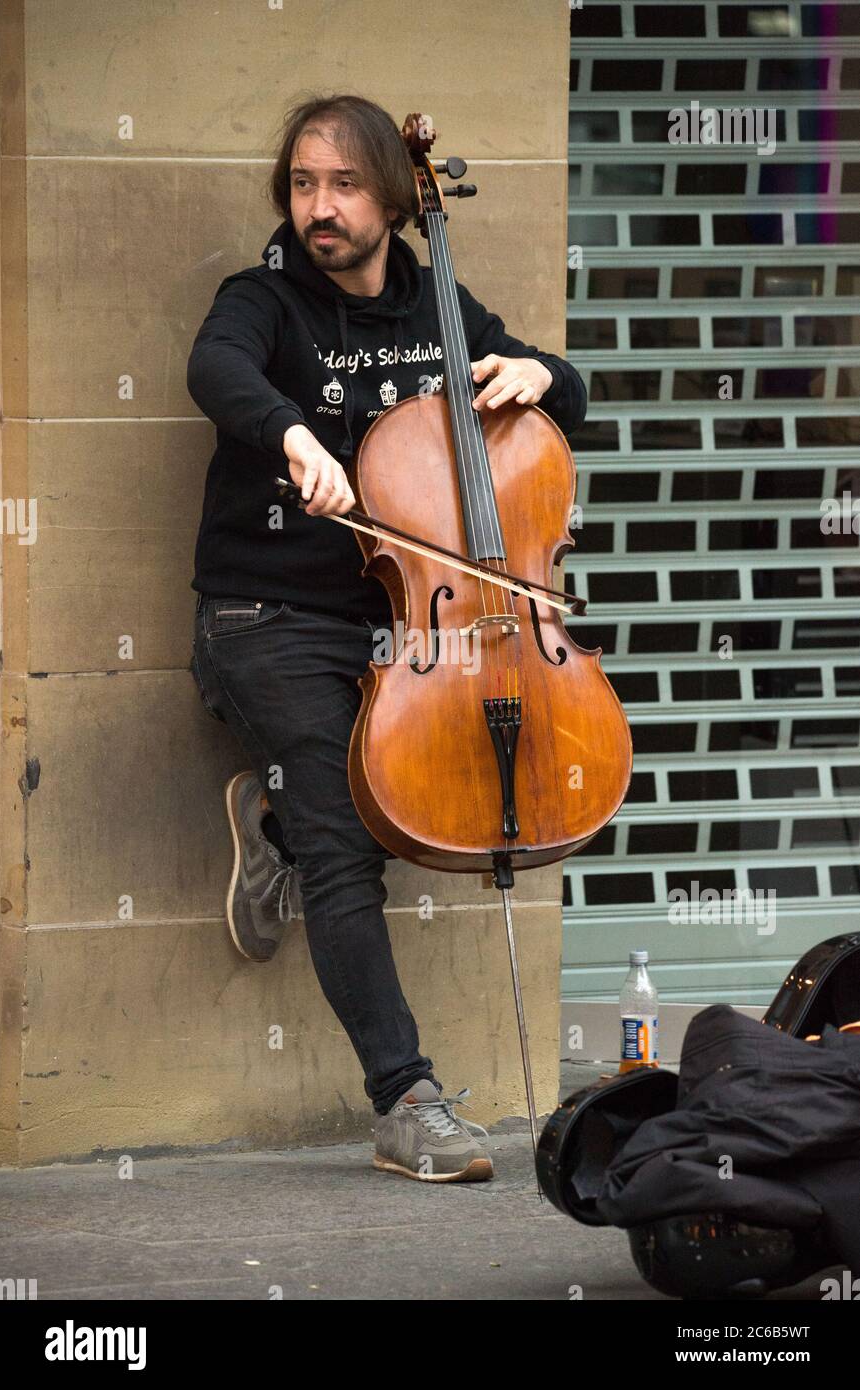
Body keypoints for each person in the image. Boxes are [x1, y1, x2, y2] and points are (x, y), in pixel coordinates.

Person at [187, 93, 587, 1183]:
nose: (320, 207)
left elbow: (569, 396)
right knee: (347, 833)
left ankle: (277, 822)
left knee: (388, 800)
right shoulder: (262, 300)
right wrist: (290, 434)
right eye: (304, 185)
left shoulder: (436, 305)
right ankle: (404, 1100)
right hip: (260, 616)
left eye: (344, 185)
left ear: (399, 199)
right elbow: (214, 370)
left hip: (409, 622)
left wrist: (544, 376)